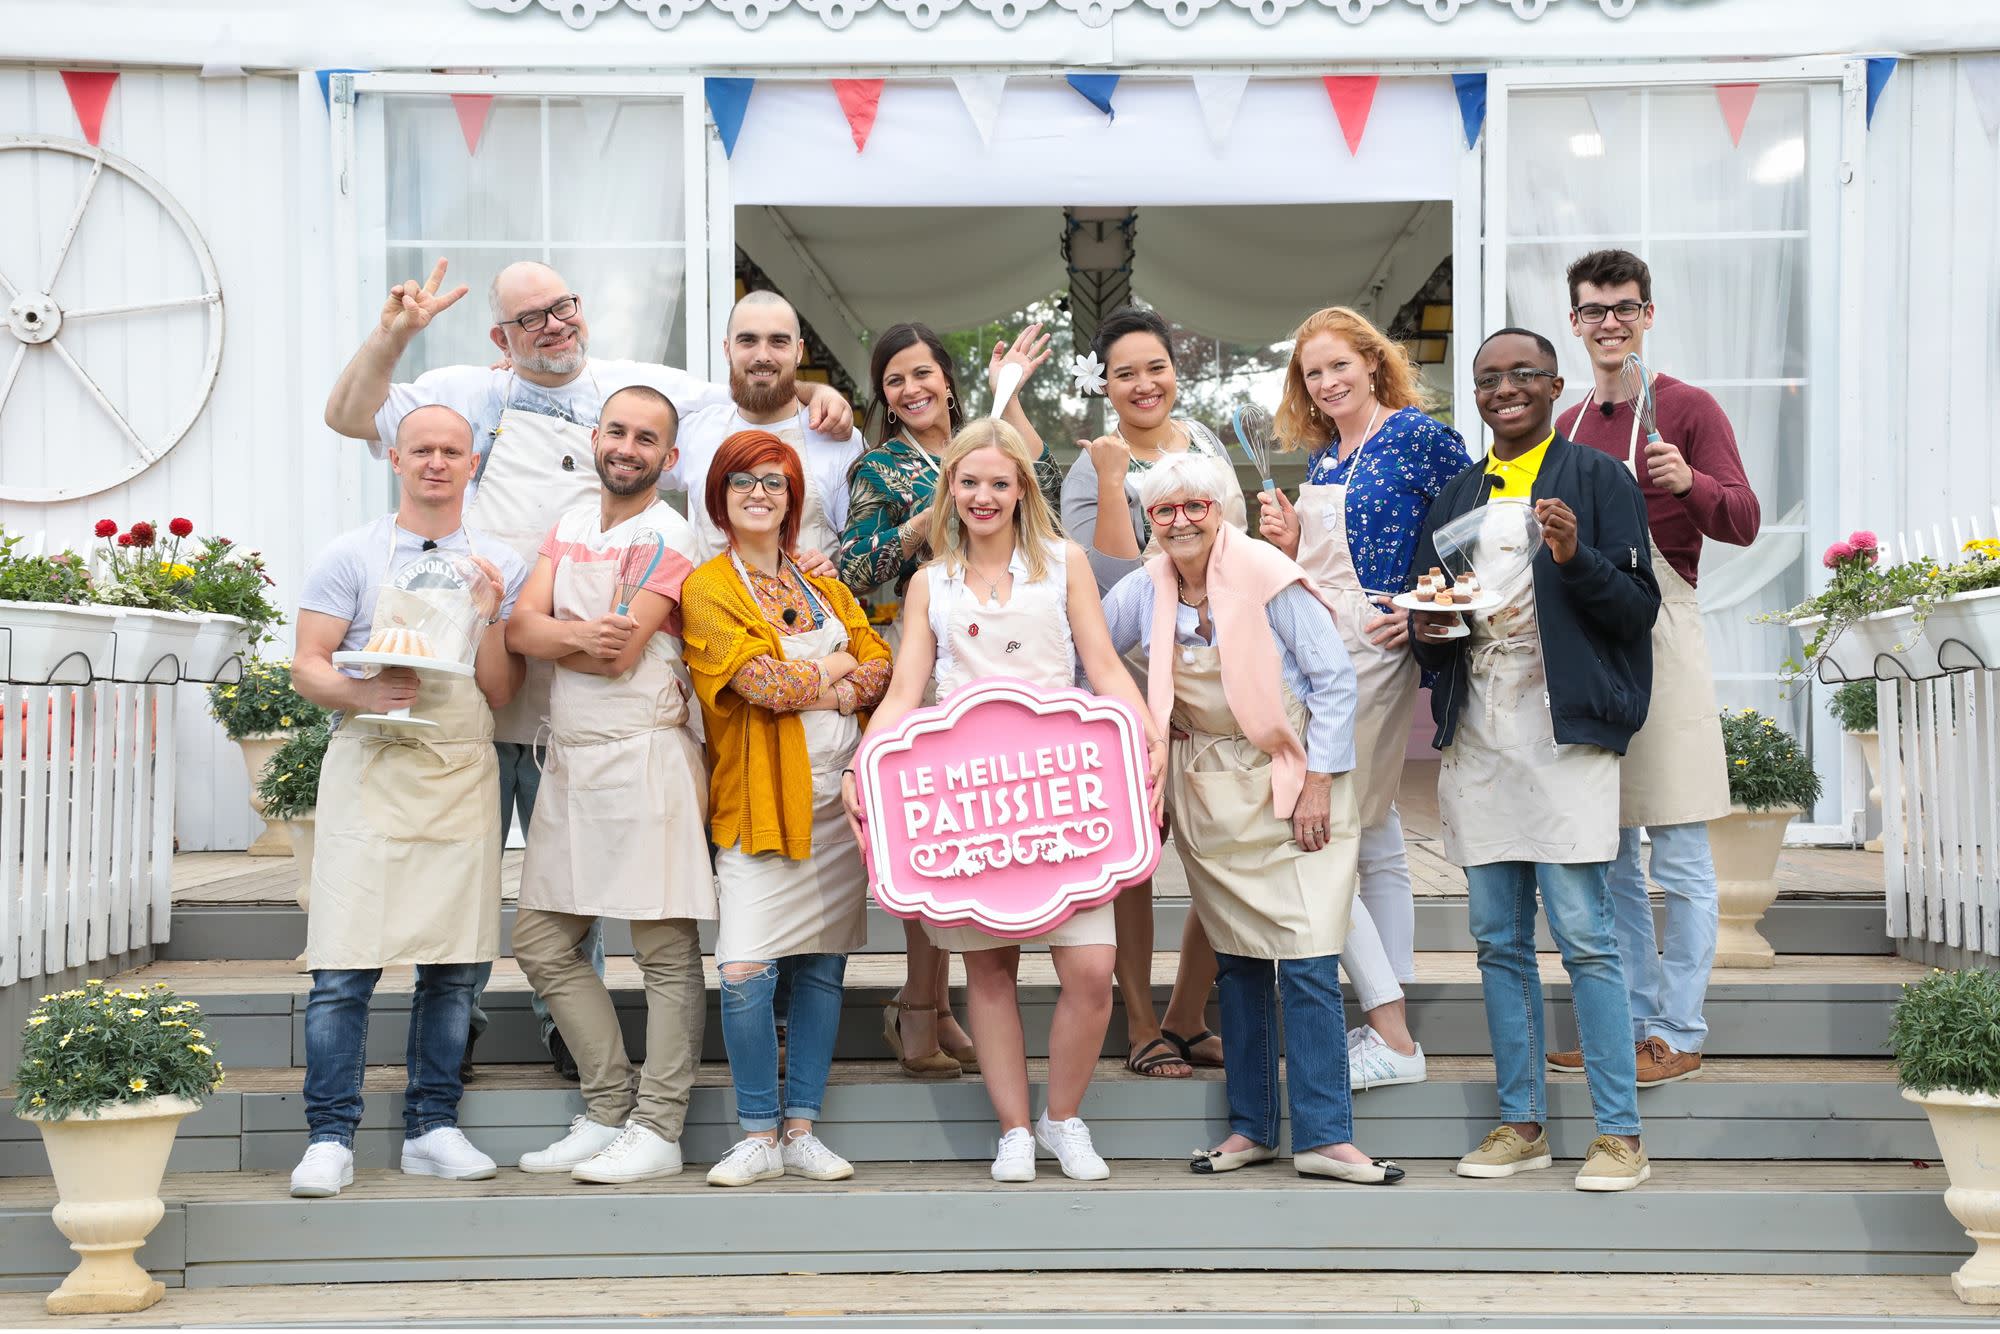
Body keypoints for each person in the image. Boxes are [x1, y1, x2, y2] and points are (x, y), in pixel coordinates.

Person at [322, 259, 852, 1075]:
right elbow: (348, 413)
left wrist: (817, 406)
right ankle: (454, 1032)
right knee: (467, 874)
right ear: (502, 338)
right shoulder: (466, 387)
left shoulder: (636, 390)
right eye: (530, 319)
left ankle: (570, 1044)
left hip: (596, 707)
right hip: (484, 675)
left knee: (577, 889)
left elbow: (747, 404)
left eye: (562, 306)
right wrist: (396, 332)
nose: (553, 325)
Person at [842, 419, 1166, 1183]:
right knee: (988, 971)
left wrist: (1146, 731)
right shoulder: (931, 582)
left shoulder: (1064, 563)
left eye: (999, 481)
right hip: (970, 799)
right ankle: (1014, 1128)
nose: (983, 496)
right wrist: (866, 762)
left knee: (1090, 969)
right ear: (949, 488)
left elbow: (1103, 666)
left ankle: (1065, 1118)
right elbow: (904, 689)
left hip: (1063, 793)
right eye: (969, 481)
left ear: (1022, 488)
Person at [1102, 452, 1403, 1185]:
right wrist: (1144, 714)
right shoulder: (1146, 590)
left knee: (1306, 956)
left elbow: (1334, 682)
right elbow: (1091, 661)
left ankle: (1326, 1136)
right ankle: (1252, 1128)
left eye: (1194, 507)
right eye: (1165, 510)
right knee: (1236, 963)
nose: (1180, 520)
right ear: (1150, 520)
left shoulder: (1271, 577)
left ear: (1220, 510)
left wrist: (1319, 785)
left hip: (1292, 776)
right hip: (1207, 790)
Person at [1409, 328, 1661, 1193]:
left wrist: (1572, 556)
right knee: (1494, 938)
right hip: (1480, 736)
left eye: (1522, 374)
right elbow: (1430, 635)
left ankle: (1619, 1135)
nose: (1505, 388)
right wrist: (1431, 624)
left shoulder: (1598, 480)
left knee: (1586, 935)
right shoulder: (1454, 498)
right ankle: (1521, 1123)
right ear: (1473, 396)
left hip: (1566, 736)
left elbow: (1636, 609)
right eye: (1488, 378)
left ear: (1555, 385)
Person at [286, 405, 528, 1198]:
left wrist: (491, 615)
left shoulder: (498, 560)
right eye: (421, 449)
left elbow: (498, 691)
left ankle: (432, 1126)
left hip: (459, 771)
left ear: (471, 464)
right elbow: (308, 666)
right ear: (395, 456)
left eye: (451, 451)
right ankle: (329, 1136)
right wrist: (363, 693)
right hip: (372, 767)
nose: (435, 462)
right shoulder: (352, 553)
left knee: (455, 967)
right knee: (343, 968)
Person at [1547, 249, 1762, 1088]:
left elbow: (1743, 517)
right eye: (1595, 309)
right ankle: (1631, 1024)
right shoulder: (1565, 425)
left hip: (1665, 631)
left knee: (1676, 847)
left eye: (1625, 308)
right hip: (1588, 635)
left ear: (1648, 314)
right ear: (1574, 322)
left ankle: (1680, 1026)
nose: (1610, 322)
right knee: (1610, 846)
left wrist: (1692, 482)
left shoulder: (1687, 409)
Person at [1258, 306, 1473, 1091]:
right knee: (1374, 836)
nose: (1327, 382)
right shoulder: (1322, 460)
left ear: (1374, 363)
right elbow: (1319, 561)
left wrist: (1423, 609)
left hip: (1375, 652)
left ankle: (1392, 1034)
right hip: (1320, 638)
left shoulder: (1417, 435)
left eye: (1339, 365)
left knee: (1327, 834)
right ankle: (1390, 1024)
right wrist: (1286, 543)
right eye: (1313, 373)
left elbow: (1474, 526)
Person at [836, 320, 1058, 1080]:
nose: (911, 387)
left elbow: (1046, 487)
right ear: (886, 398)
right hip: (925, 663)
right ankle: (920, 1011)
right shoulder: (880, 467)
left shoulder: (980, 450)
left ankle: (940, 1005)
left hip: (1004, 664)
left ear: (948, 378)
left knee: (986, 838)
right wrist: (923, 523)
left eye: (923, 371)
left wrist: (1011, 398)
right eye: (895, 379)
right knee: (934, 840)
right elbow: (852, 568)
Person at [505, 385, 714, 1184]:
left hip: (644, 754)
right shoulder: (568, 525)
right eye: (618, 431)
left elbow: (618, 654)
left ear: (670, 458)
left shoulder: (671, 534)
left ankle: (659, 1128)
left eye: (647, 438)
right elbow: (518, 629)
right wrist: (564, 633)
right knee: (541, 940)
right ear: (597, 438)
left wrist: (550, 632)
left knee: (662, 948)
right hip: (573, 762)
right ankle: (605, 1108)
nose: (628, 446)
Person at [682, 431, 893, 1187]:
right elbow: (761, 687)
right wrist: (838, 671)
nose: (759, 494)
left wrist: (829, 673)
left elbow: (883, 665)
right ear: (720, 496)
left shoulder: (825, 588)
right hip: (759, 801)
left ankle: (802, 1128)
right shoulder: (707, 588)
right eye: (742, 482)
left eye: (774, 481)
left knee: (823, 968)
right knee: (744, 967)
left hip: (839, 802)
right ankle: (756, 1133)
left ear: (793, 497)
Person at [1060, 305, 1246, 1079]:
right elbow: (1110, 577)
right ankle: (1139, 1023)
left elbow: (1233, 543)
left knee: (1222, 848)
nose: (1144, 384)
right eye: (1125, 372)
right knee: (1134, 863)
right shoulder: (1089, 465)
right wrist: (1111, 481)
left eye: (1155, 367)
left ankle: (1188, 1014)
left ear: (1176, 370)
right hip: (1128, 687)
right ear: (1105, 385)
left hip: (1217, 678)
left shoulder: (1204, 440)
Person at [673, 292, 865, 569]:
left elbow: (863, 563)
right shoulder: (695, 430)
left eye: (778, 341)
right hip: (712, 609)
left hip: (810, 609)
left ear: (799, 351)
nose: (763, 356)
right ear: (727, 349)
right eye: (748, 340)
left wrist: (839, 573)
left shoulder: (838, 438)